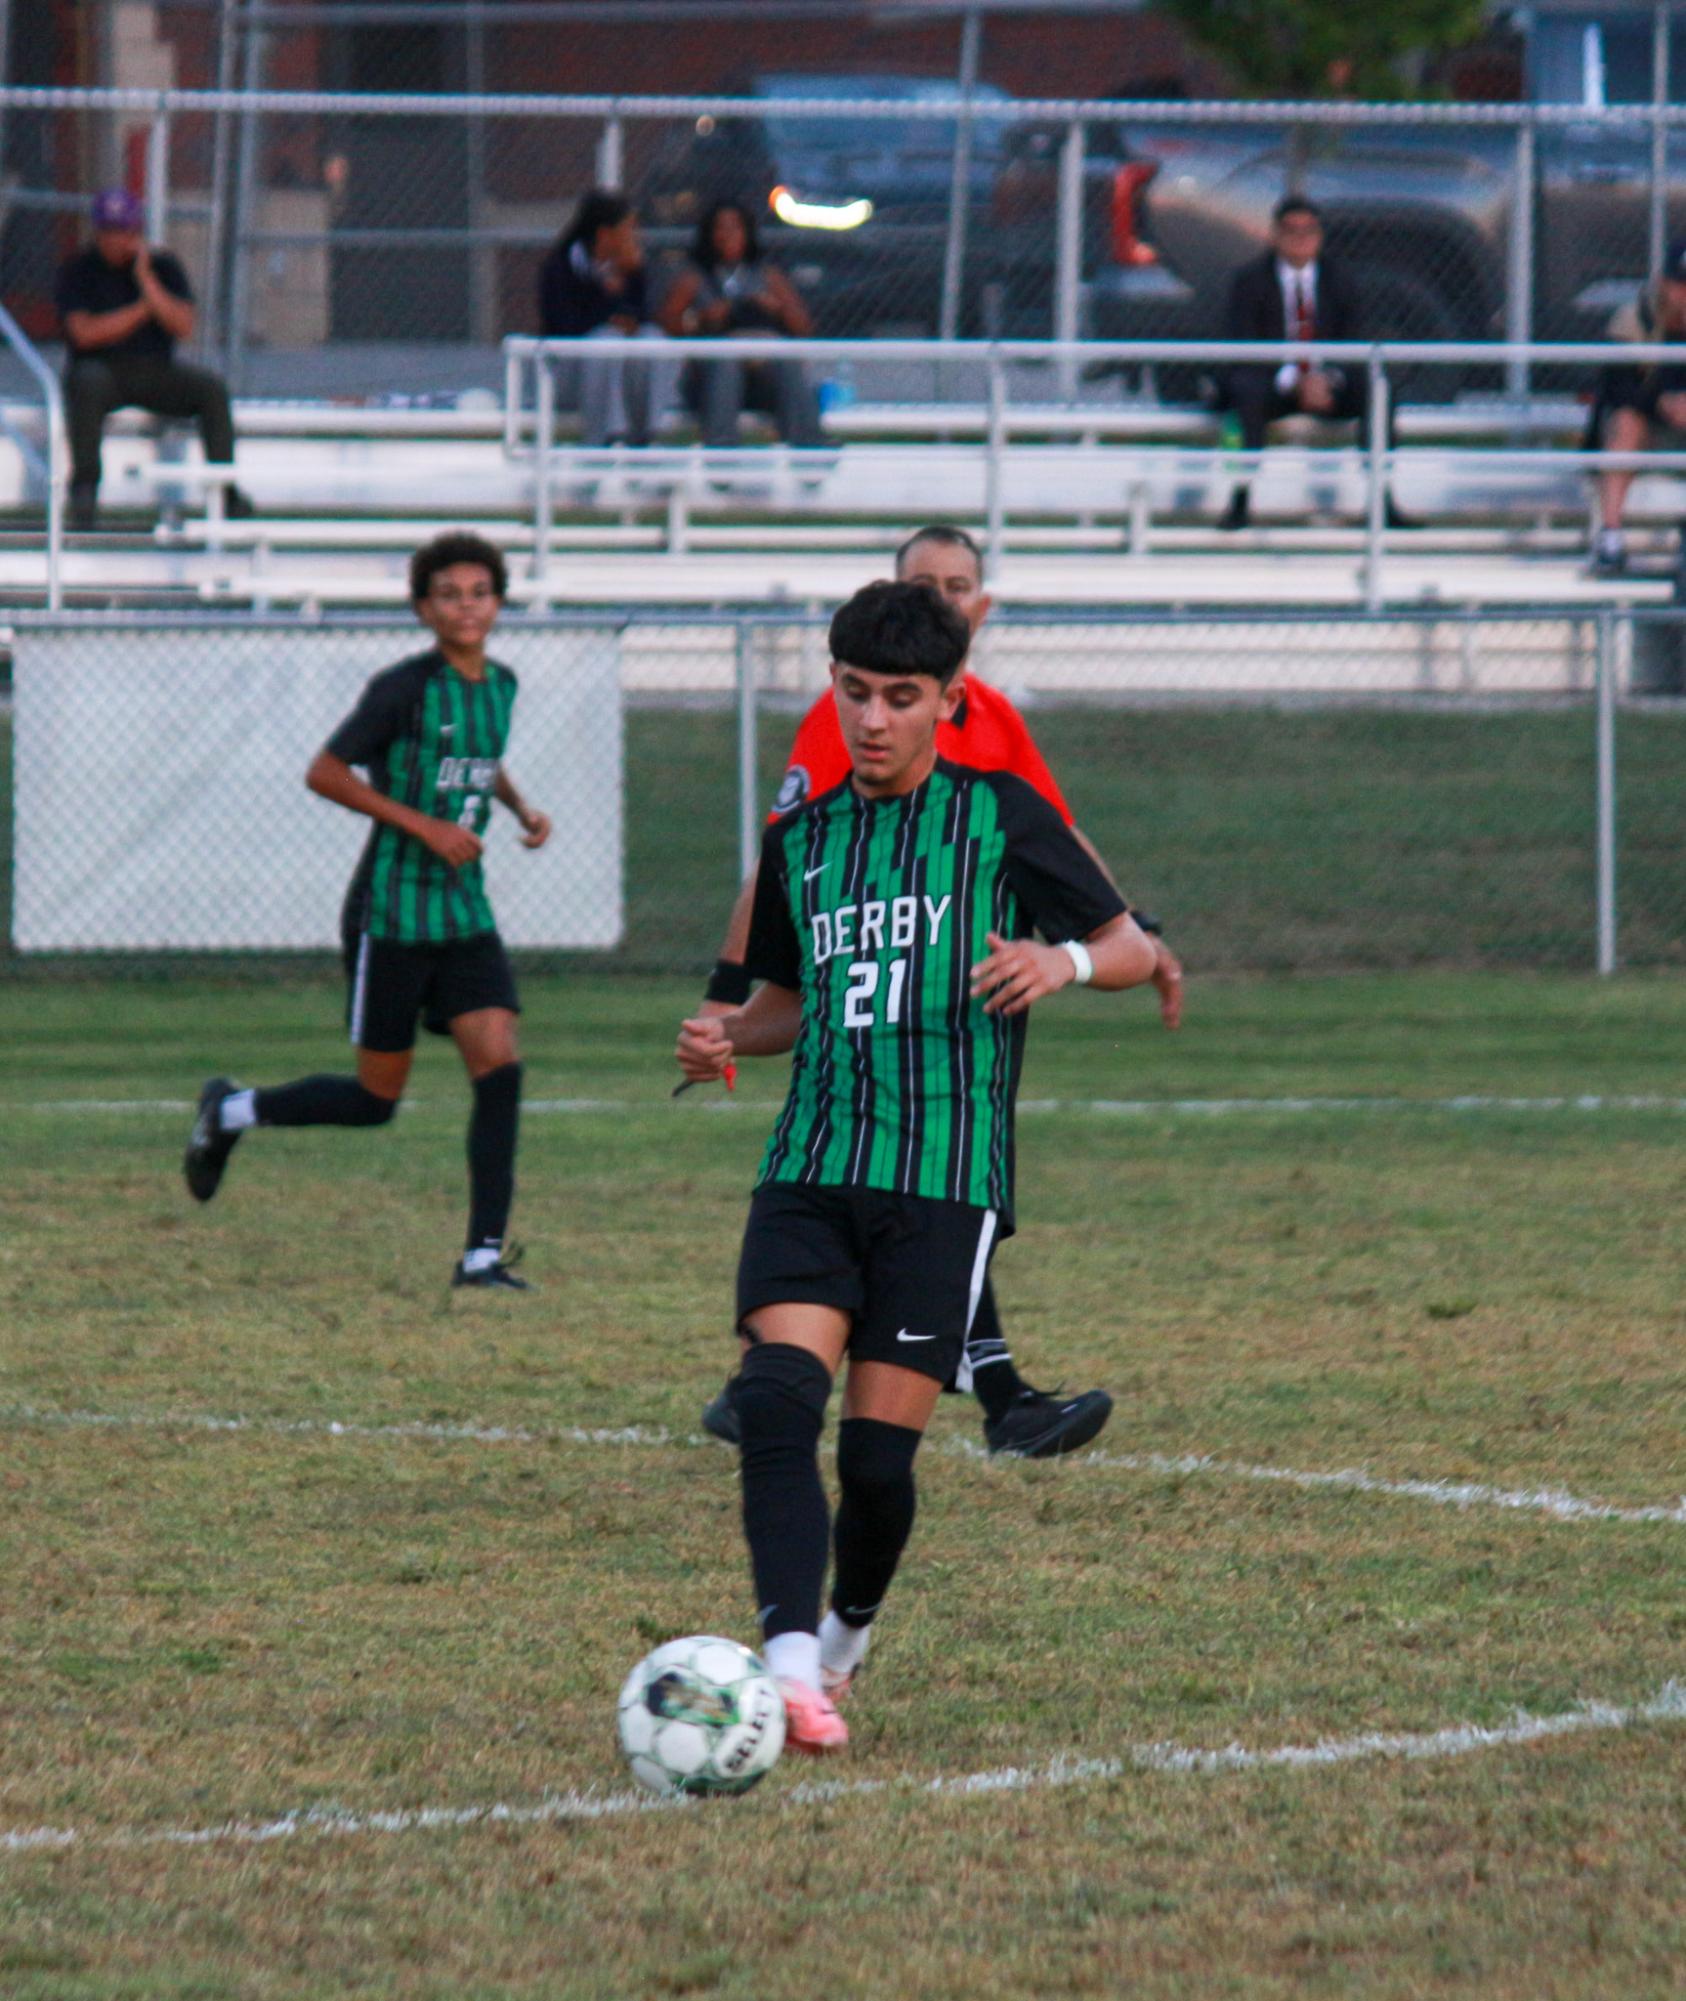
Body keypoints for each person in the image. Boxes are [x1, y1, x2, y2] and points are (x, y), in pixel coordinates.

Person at [675, 580, 1158, 1751]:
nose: (874, 720)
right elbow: (789, 1002)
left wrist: (1064, 967)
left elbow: (1135, 946)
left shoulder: (1001, 816)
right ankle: (789, 1668)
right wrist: (726, 1035)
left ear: (950, 701)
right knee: (779, 1401)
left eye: (902, 698)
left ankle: (844, 1636)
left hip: (943, 1183)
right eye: (855, 694)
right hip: (811, 1162)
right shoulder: (802, 839)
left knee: (879, 1468)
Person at [696, 524, 1185, 1459]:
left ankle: (979, 1394)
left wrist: (1121, 938)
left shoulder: (990, 721)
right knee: (906, 1186)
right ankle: (944, 1393)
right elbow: (781, 869)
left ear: (980, 611)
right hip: (857, 1044)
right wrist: (726, 1003)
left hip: (947, 1049)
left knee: (939, 1186)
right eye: (927, 584)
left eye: (960, 586)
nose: (946, 600)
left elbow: (1059, 840)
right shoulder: (854, 710)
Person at [182, 532, 552, 1291]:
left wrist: (518, 806)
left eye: (479, 592)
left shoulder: (502, 684)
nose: (466, 606)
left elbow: (478, 761)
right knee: (374, 1099)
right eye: (448, 594)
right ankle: (229, 1112)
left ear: (499, 601)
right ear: (423, 607)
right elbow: (325, 771)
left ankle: (482, 1253)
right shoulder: (404, 686)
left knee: (501, 1063)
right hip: (393, 911)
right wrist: (423, 824)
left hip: (464, 912)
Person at [55, 187, 252, 532]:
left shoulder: (161, 266)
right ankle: (84, 490)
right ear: (98, 232)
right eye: (111, 231)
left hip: (155, 369)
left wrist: (147, 282)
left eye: (127, 230)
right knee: (85, 383)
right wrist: (144, 310)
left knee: (211, 389)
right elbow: (85, 333)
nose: (120, 239)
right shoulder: (79, 270)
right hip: (103, 370)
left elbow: (183, 324)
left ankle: (225, 489)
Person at [1216, 195, 1412, 531]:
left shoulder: (1340, 279)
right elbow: (1244, 345)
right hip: (1274, 384)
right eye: (1291, 230)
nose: (1301, 238)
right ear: (1275, 235)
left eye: (1309, 230)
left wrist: (1324, 378)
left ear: (1320, 236)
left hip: (1327, 384)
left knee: (1378, 392)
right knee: (1244, 390)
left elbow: (1354, 339)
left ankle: (1383, 501)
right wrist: (1295, 380)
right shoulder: (1250, 281)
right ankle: (1240, 501)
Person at [658, 199, 824, 448]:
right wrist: (706, 317)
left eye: (735, 228)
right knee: (727, 360)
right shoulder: (694, 278)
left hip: (762, 372)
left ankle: (809, 448)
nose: (728, 235)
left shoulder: (768, 276)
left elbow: (803, 327)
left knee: (786, 360)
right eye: (720, 228)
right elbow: (668, 324)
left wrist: (775, 309)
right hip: (712, 375)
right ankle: (722, 452)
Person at [537, 190, 675, 448]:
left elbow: (642, 316)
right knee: (605, 339)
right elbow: (564, 324)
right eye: (628, 229)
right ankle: (606, 439)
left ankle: (650, 434)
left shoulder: (631, 267)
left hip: (622, 370)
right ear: (604, 233)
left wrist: (632, 281)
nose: (635, 237)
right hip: (572, 372)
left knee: (652, 338)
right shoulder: (561, 267)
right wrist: (607, 305)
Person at [1589, 239, 1686, 578]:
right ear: (1664, 283)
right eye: (1680, 284)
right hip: (1652, 432)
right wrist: (1661, 404)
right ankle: (1611, 540)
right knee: (1626, 422)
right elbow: (1614, 386)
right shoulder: (1634, 319)